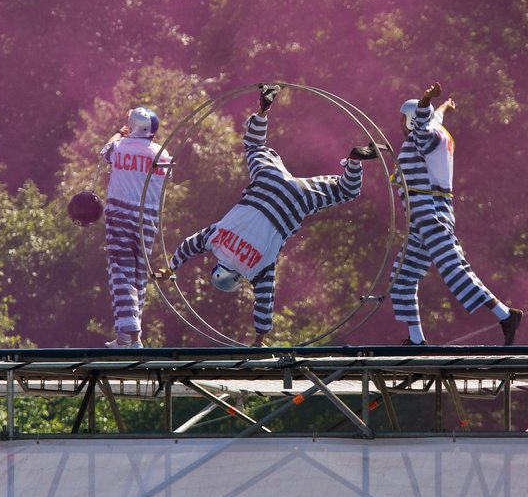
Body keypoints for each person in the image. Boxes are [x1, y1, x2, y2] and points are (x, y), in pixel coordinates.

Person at [158, 84, 377, 346]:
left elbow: (264, 302)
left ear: (237, 279)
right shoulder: (214, 240)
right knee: (253, 146)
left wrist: (259, 339)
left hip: (297, 198)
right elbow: (189, 245)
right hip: (268, 180)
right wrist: (170, 268)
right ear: (218, 267)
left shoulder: (256, 270)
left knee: (345, 191)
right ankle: (262, 110)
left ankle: (354, 162)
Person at [390, 82, 523, 346]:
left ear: (412, 120)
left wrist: (426, 99)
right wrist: (444, 107)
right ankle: (416, 340)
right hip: (420, 220)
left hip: (431, 215)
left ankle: (506, 315)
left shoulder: (425, 136)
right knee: (402, 277)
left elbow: (423, 122)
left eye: (403, 120)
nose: (399, 125)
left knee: (454, 268)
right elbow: (433, 119)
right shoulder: (435, 132)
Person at [100, 106, 172, 349]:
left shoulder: (120, 147)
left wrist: (119, 133)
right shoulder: (162, 153)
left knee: (120, 270)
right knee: (139, 274)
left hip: (120, 213)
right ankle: (130, 337)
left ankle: (129, 332)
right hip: (148, 219)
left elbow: (105, 152)